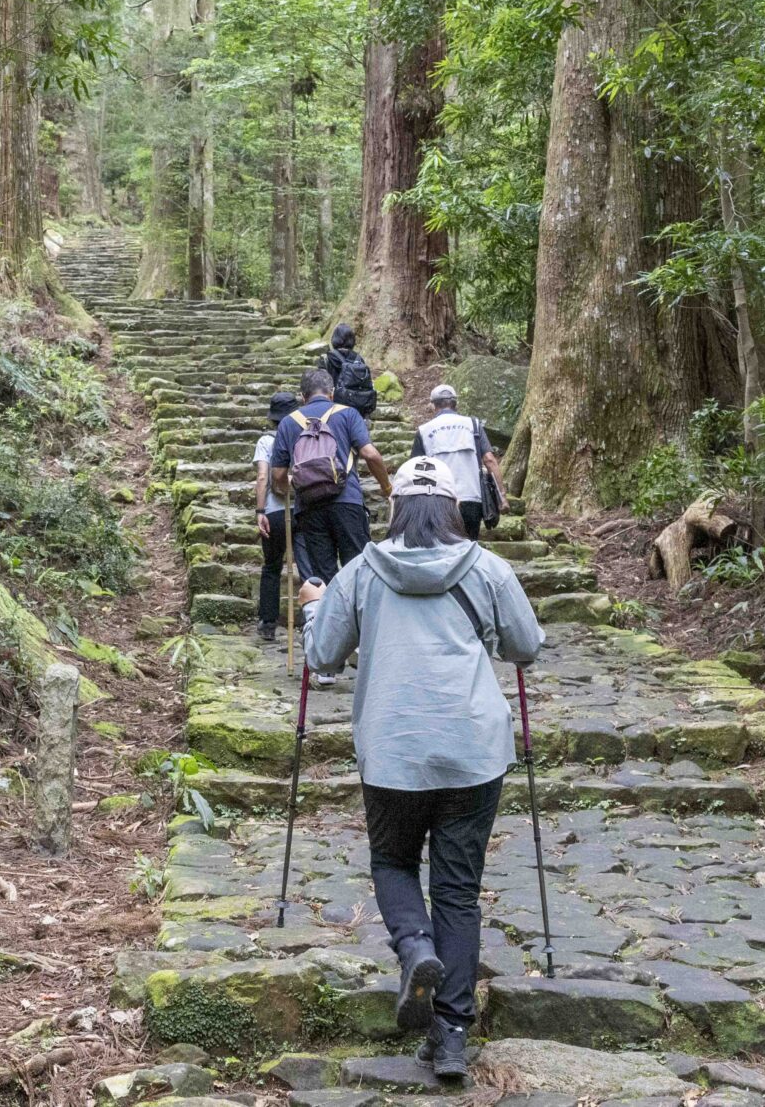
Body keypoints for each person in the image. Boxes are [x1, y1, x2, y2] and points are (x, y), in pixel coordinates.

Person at [298, 458, 544, 1083]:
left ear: (397, 508)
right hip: (472, 751)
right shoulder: (488, 568)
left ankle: (415, 949)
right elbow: (527, 647)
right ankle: (452, 1036)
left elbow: (323, 656)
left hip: (393, 749)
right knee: (458, 889)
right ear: (452, 508)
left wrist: (311, 608)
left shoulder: (361, 573)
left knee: (393, 862)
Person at [270, 367, 391, 594]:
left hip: (309, 508)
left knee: (325, 577)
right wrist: (387, 488)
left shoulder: (288, 422)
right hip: (348, 501)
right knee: (358, 568)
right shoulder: (348, 414)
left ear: (303, 397)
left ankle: (334, 624)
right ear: (332, 393)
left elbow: (277, 475)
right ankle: (362, 625)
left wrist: (294, 484)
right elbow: (370, 455)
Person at [413, 385, 501, 541]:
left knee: (443, 547)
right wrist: (502, 496)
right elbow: (489, 460)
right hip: (471, 498)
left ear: (433, 405)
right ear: (455, 404)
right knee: (469, 545)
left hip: (440, 499)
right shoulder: (473, 425)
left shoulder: (424, 430)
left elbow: (416, 468)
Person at [251, 391, 299, 644]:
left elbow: (262, 477)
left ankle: (268, 623)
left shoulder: (266, 441)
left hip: (275, 511)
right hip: (304, 509)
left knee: (271, 565)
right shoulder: (306, 435)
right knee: (311, 565)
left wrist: (260, 511)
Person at [322, 322, 379, 420]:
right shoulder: (359, 359)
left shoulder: (328, 358)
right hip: (357, 409)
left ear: (335, 338)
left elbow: (321, 384)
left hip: (334, 409)